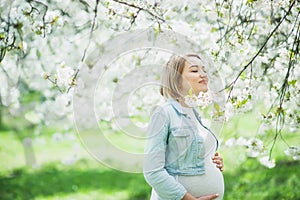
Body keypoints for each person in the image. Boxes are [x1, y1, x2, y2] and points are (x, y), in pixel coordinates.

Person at [143, 54, 224, 200]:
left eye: (204, 70)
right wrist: (186, 198)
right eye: (194, 70)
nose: (203, 74)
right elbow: (152, 171)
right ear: (176, 78)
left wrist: (210, 161)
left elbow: (191, 157)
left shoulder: (196, 114)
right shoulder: (163, 113)